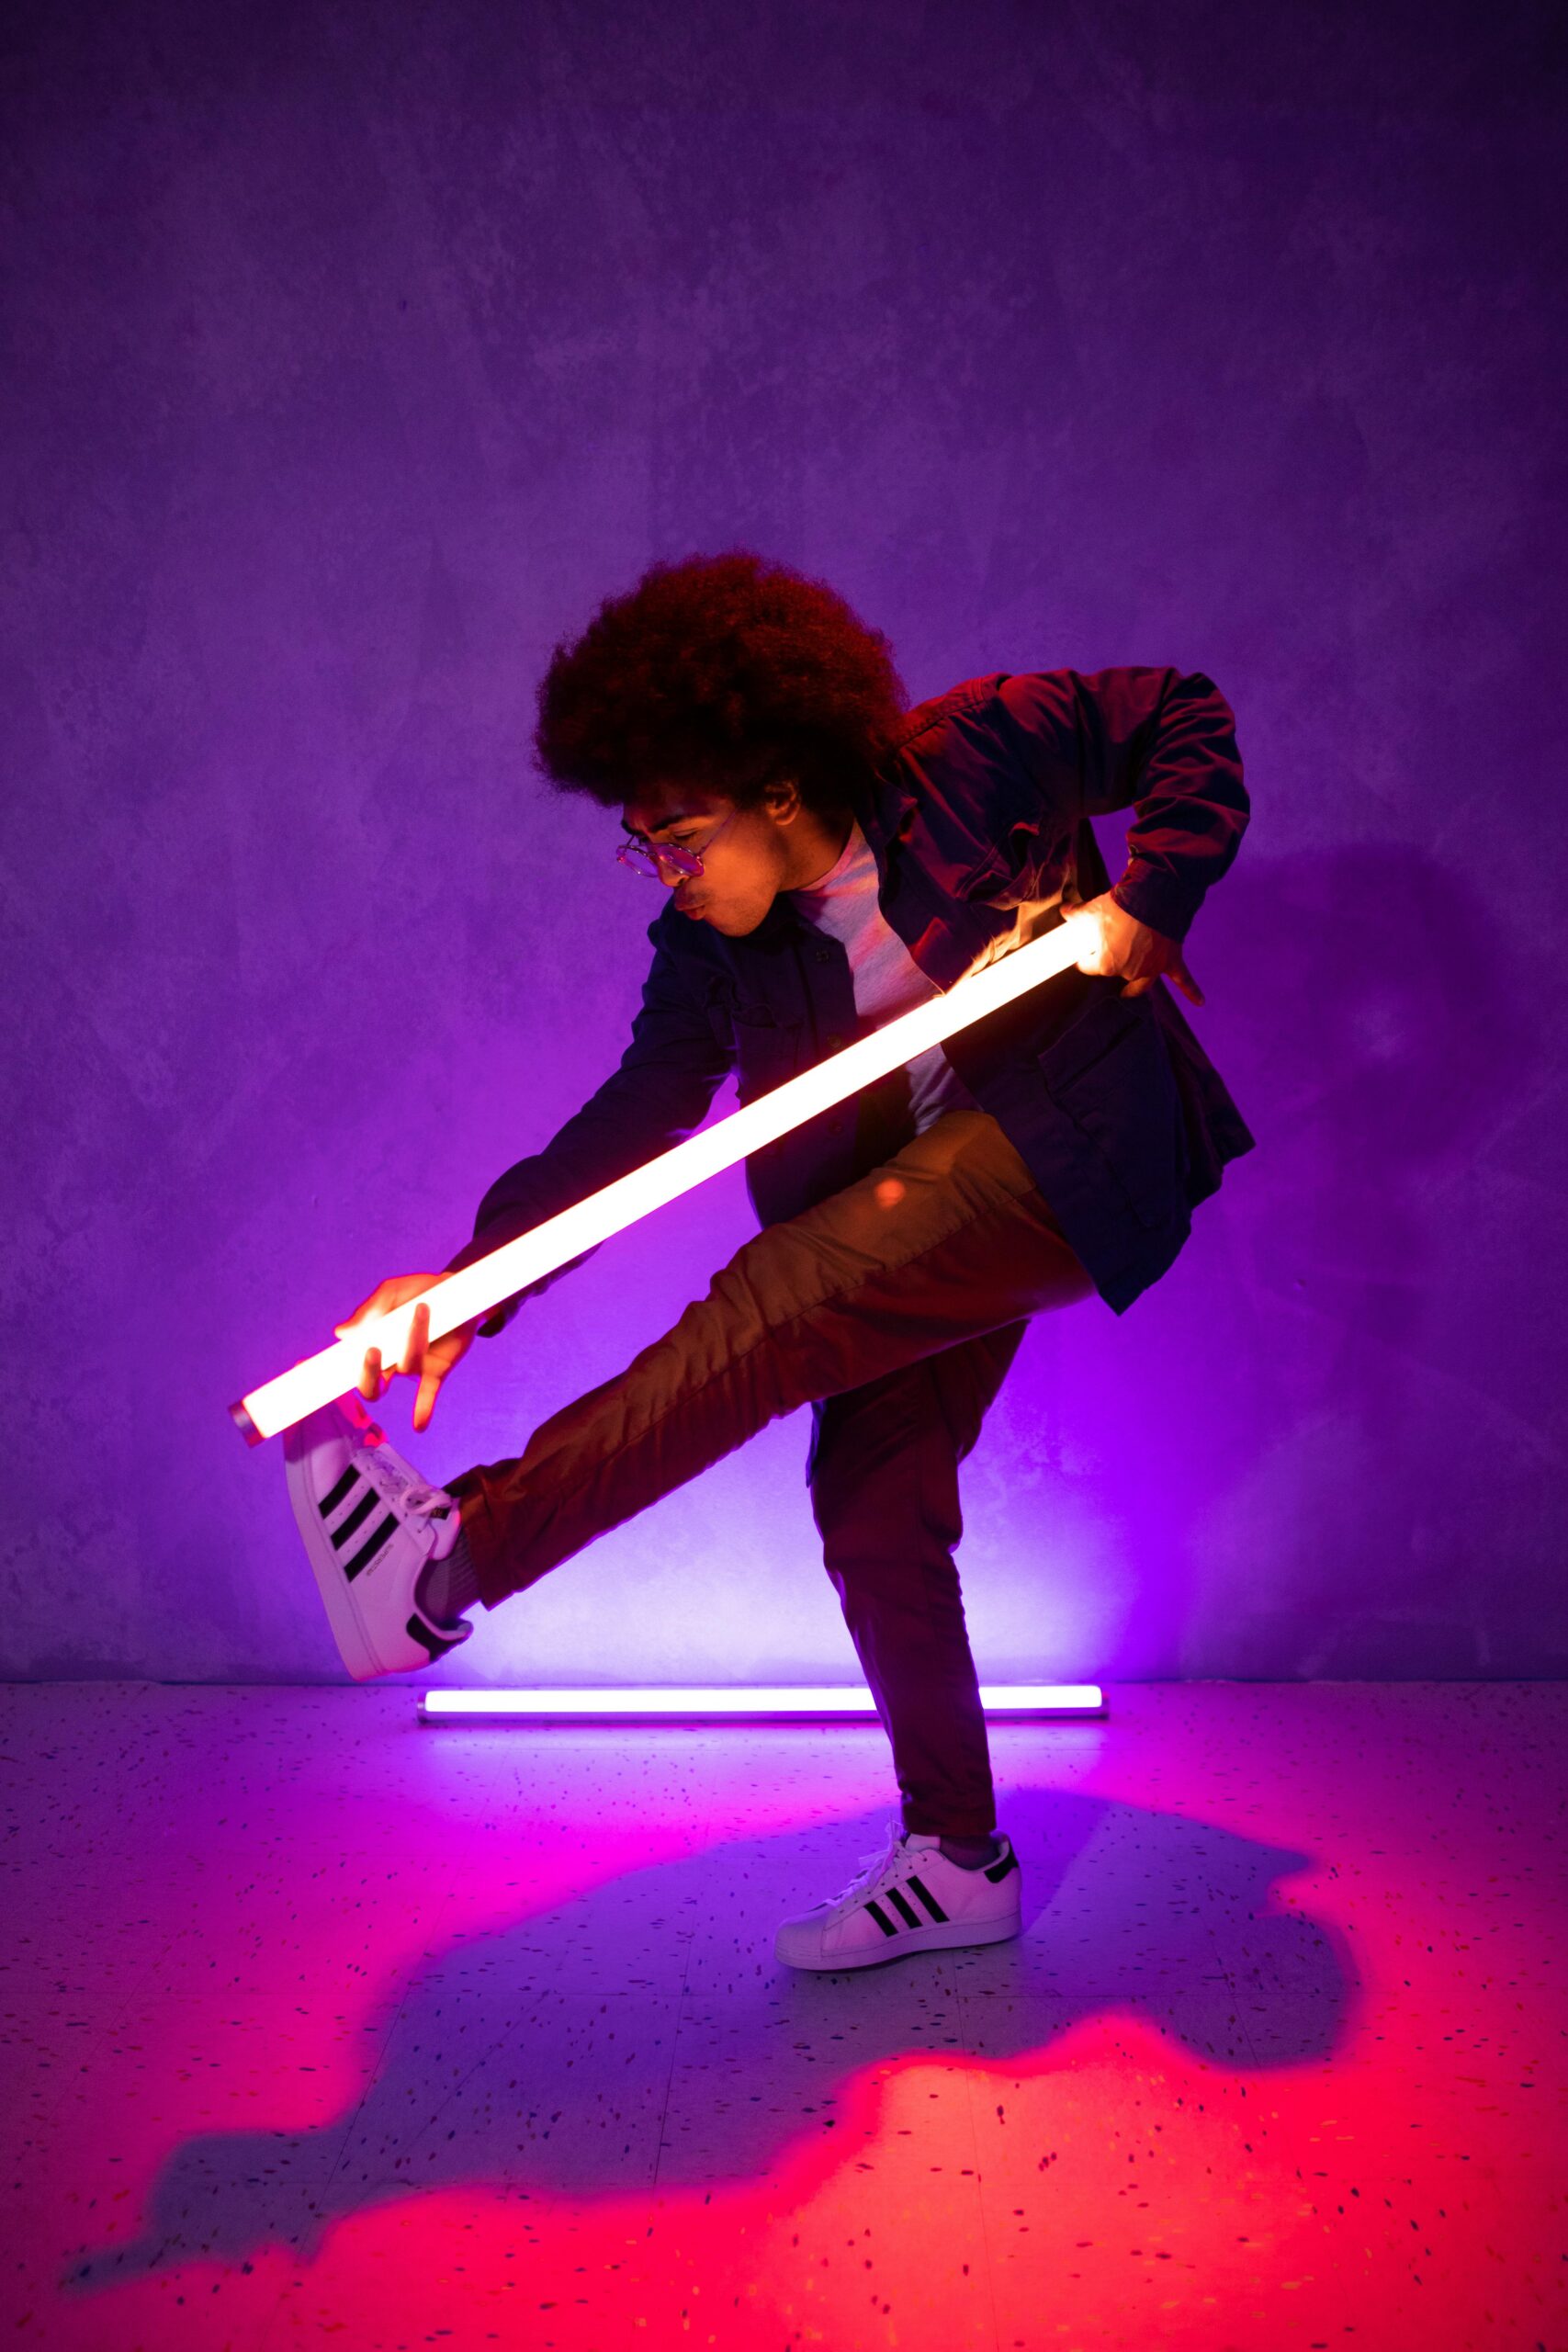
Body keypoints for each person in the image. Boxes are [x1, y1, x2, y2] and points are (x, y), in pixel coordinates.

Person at [283, 549, 1253, 1972]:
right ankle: (960, 1859)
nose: (665, 876)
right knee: (870, 1504)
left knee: (780, 1300)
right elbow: (636, 1115)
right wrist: (472, 1282)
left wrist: (1152, 897)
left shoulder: (977, 752)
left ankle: (448, 1563)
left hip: (1070, 1148)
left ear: (781, 792)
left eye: (679, 838)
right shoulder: (713, 952)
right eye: (643, 846)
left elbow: (1182, 713)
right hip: (909, 1213)